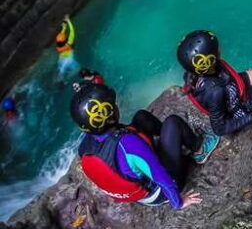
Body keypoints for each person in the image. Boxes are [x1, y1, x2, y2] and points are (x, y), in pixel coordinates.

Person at [71, 83, 219, 209]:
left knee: (141, 117)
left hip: (139, 191)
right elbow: (161, 176)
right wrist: (178, 202)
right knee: (173, 123)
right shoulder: (128, 144)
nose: (116, 105)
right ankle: (200, 151)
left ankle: (173, 143)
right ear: (110, 119)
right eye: (113, 105)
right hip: (158, 192)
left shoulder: (87, 143)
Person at [178, 30, 252, 136]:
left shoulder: (196, 72)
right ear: (211, 59)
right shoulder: (214, 91)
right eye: (216, 49)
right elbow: (219, 128)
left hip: (229, 86)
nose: (219, 49)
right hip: (238, 106)